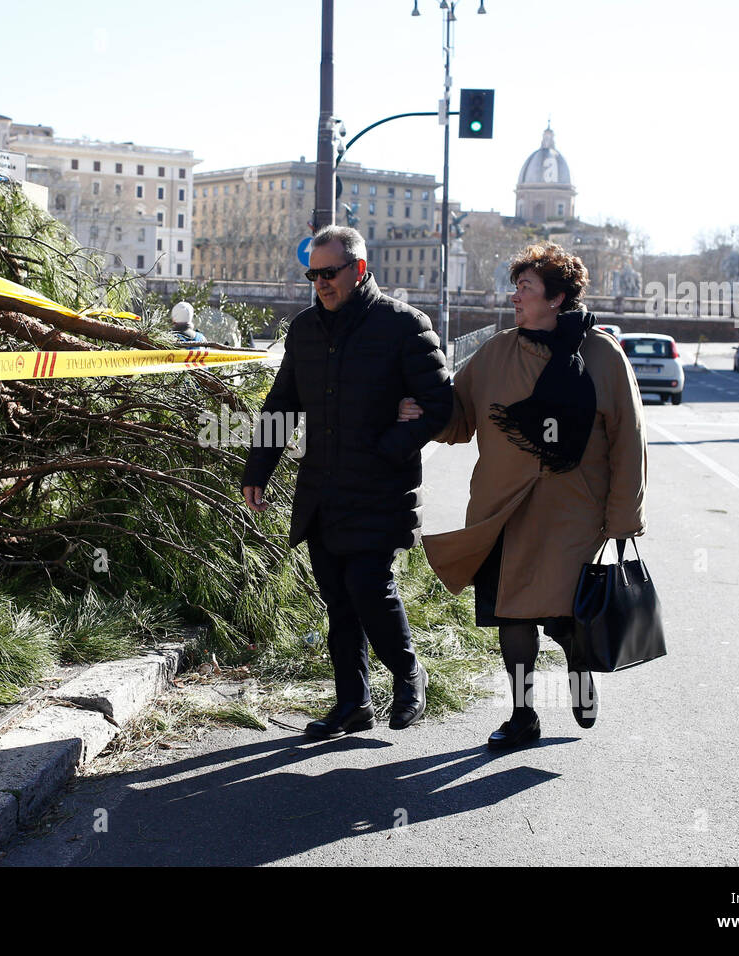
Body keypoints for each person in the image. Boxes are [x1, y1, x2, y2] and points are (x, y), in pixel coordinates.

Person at [399, 241, 646, 750]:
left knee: (561, 613)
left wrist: (623, 517)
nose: (515, 295)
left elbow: (628, 440)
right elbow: (460, 417)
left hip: (573, 513)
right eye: (517, 286)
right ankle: (522, 714)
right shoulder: (495, 352)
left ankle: (579, 666)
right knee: (511, 614)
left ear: (556, 298)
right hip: (501, 508)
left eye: (526, 287)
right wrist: (419, 413)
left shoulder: (601, 355)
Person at [242, 225, 452, 738]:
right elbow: (282, 404)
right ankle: (353, 704)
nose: (320, 283)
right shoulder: (306, 329)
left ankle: (408, 675)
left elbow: (442, 407)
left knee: (368, 586)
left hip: (381, 487)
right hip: (323, 489)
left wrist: (389, 445)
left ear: (358, 269)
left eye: (329, 273)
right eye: (312, 274)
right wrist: (257, 469)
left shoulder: (405, 326)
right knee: (338, 599)